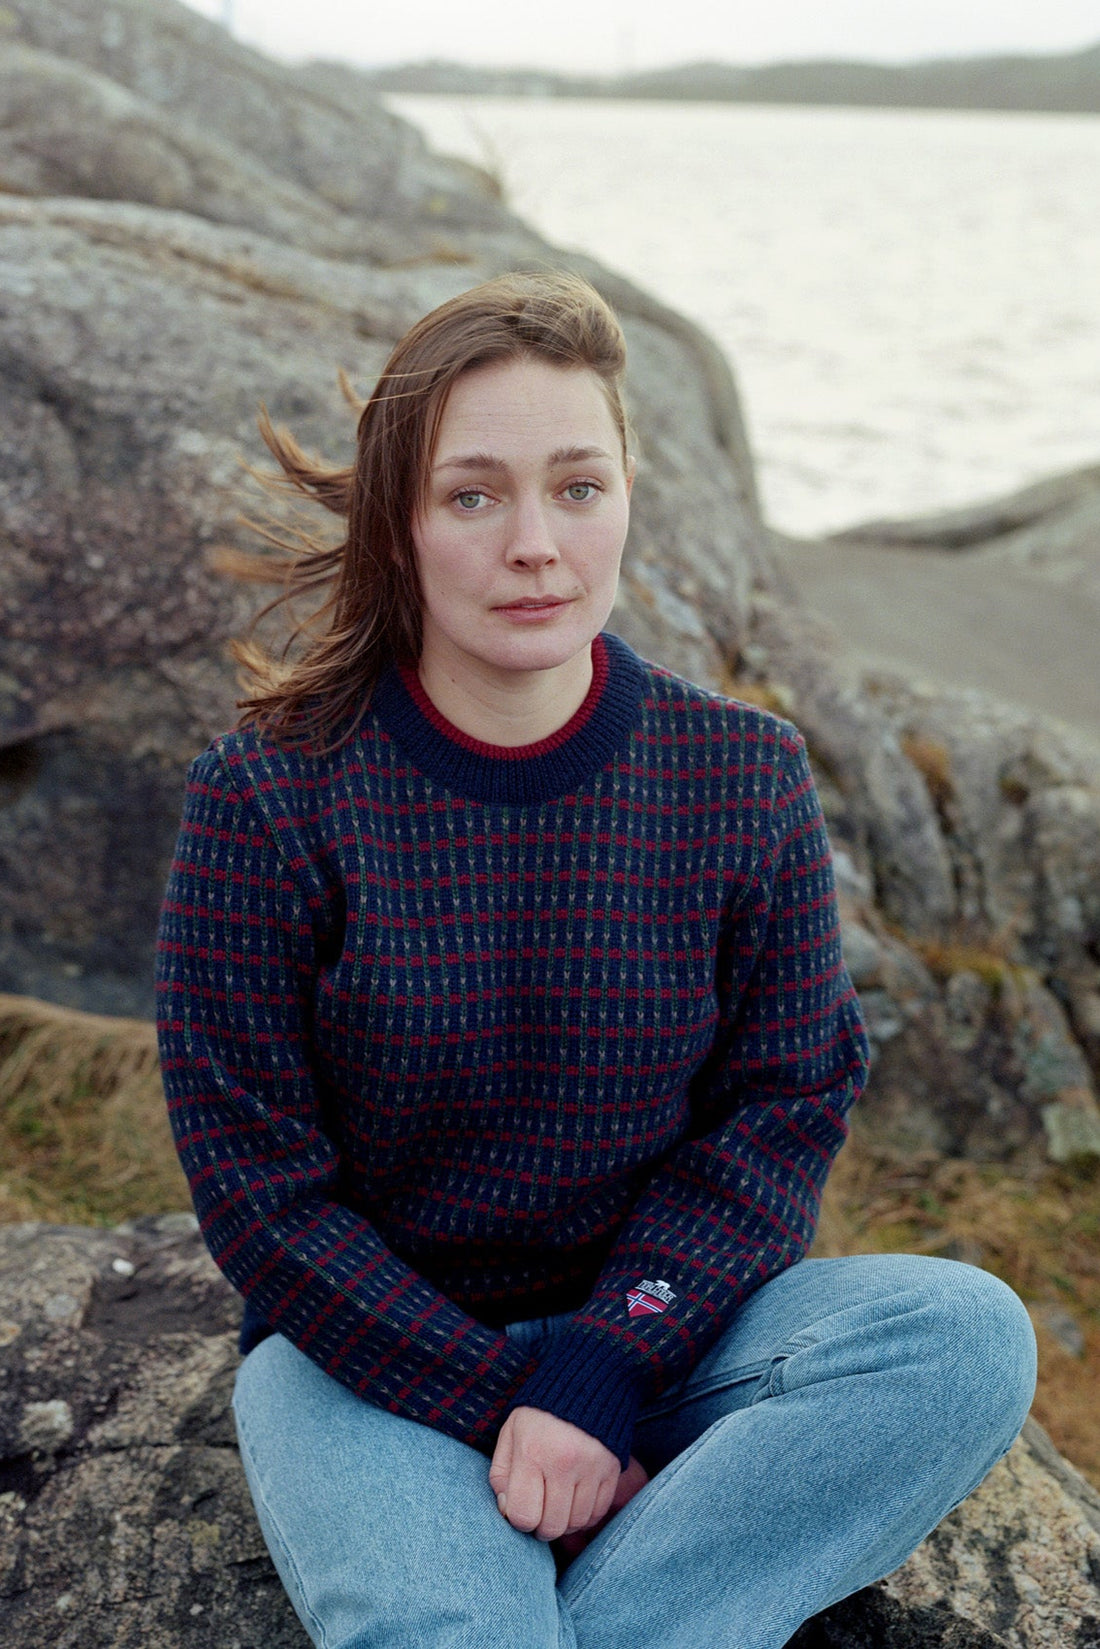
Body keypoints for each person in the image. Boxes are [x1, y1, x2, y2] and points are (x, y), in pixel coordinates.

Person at [155, 270, 1036, 1649]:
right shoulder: (270, 798)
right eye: (473, 494)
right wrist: (516, 1399)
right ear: (401, 523)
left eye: (577, 486)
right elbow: (263, 1194)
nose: (534, 545)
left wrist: (604, 1369)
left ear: (630, 495)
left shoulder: (743, 776)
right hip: (366, 1367)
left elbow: (783, 1108)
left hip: (670, 1342)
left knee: (963, 1335)